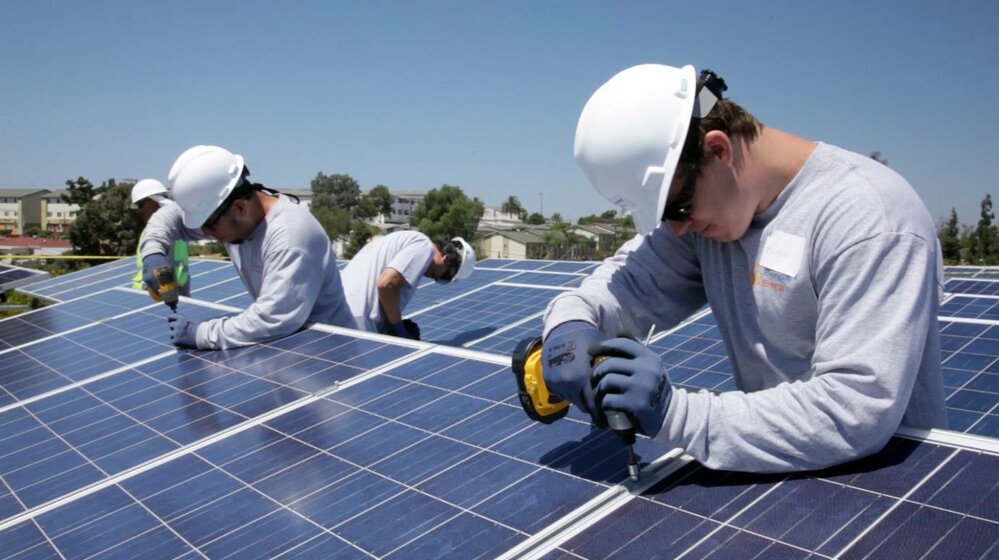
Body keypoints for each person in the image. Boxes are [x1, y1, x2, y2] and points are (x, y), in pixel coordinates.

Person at [542, 64, 947, 473]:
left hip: (886, 484)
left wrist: (675, 414)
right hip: (777, 471)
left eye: (677, 207)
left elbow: (853, 411)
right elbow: (628, 285)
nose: (677, 228)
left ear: (718, 149)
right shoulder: (710, 212)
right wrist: (570, 325)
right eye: (664, 216)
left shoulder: (870, 219)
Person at [140, 144, 353, 349]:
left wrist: (200, 334)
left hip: (328, 351)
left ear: (240, 207)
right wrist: (153, 252)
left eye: (209, 225)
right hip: (291, 344)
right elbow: (171, 216)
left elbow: (272, 318)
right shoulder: (233, 218)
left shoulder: (290, 238)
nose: (204, 233)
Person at [340, 230, 476, 339]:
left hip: (340, 309)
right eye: (445, 276)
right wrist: (398, 327)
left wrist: (391, 324)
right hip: (357, 319)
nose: (437, 278)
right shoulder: (424, 246)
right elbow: (387, 283)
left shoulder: (404, 241)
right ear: (446, 259)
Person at [130, 179, 190, 296]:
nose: (139, 211)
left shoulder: (166, 231)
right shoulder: (158, 231)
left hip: (166, 293)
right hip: (152, 293)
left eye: (141, 204)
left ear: (154, 201)